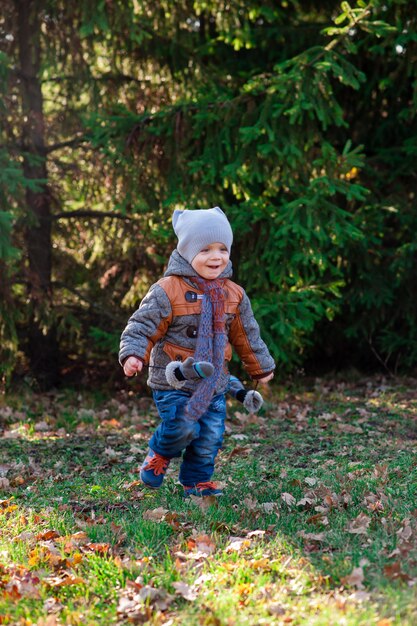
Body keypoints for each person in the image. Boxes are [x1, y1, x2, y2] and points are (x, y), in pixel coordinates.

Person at [119, 207, 275, 497]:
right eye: (205, 249)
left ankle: (196, 480)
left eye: (222, 249)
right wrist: (133, 354)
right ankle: (159, 453)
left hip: (214, 384)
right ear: (187, 252)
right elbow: (143, 325)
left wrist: (260, 367)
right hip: (173, 381)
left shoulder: (234, 294)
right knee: (184, 426)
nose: (216, 257)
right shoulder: (167, 289)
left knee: (209, 438)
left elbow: (247, 334)